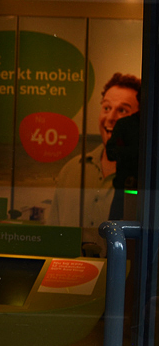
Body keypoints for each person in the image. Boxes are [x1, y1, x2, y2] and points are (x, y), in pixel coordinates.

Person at [48, 73, 140, 240]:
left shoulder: (142, 175)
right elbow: (52, 235)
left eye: (122, 110)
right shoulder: (72, 169)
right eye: (106, 108)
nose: (110, 118)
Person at [105, 111, 140, 220]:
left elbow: (113, 151)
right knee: (115, 226)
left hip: (132, 188)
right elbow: (111, 152)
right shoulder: (125, 124)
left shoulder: (125, 124)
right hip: (125, 189)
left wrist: (126, 150)